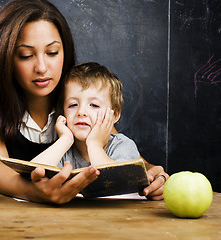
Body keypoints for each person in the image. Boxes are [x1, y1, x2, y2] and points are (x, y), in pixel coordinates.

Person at [0, 0, 168, 204]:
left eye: (52, 53)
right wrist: (38, 193)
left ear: (65, 51)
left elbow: (116, 146)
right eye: (26, 55)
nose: (41, 67)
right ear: (5, 58)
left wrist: (152, 174)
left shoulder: (77, 98)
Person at [31, 62, 168, 198]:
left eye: (94, 105)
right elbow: (33, 173)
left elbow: (115, 181)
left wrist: (94, 144)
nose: (81, 112)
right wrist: (65, 140)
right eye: (73, 105)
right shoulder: (64, 150)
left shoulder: (122, 145)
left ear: (114, 115)